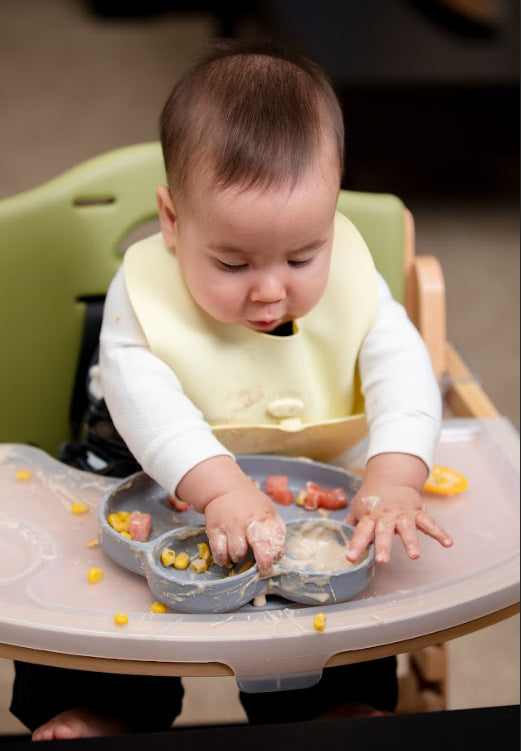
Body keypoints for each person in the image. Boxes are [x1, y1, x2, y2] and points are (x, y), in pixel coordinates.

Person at [11, 39, 452, 741]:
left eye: (302, 255)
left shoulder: (352, 283)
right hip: (146, 470)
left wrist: (396, 473)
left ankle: (323, 705)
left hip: (305, 472)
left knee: (335, 577)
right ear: (172, 220)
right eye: (233, 260)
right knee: (103, 581)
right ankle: (110, 707)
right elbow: (143, 401)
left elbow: (403, 370)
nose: (271, 288)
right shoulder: (143, 290)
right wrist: (218, 488)